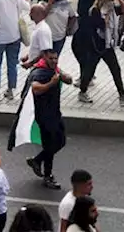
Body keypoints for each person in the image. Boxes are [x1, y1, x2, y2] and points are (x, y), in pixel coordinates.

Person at [24, 48, 71, 190]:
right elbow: (36, 89)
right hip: (44, 116)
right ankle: (48, 176)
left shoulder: (54, 70)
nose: (54, 61)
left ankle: (37, 160)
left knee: (60, 141)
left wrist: (60, 74)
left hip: (55, 114)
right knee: (50, 146)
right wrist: (51, 83)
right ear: (44, 57)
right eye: (51, 58)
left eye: (56, 58)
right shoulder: (39, 72)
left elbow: (69, 79)